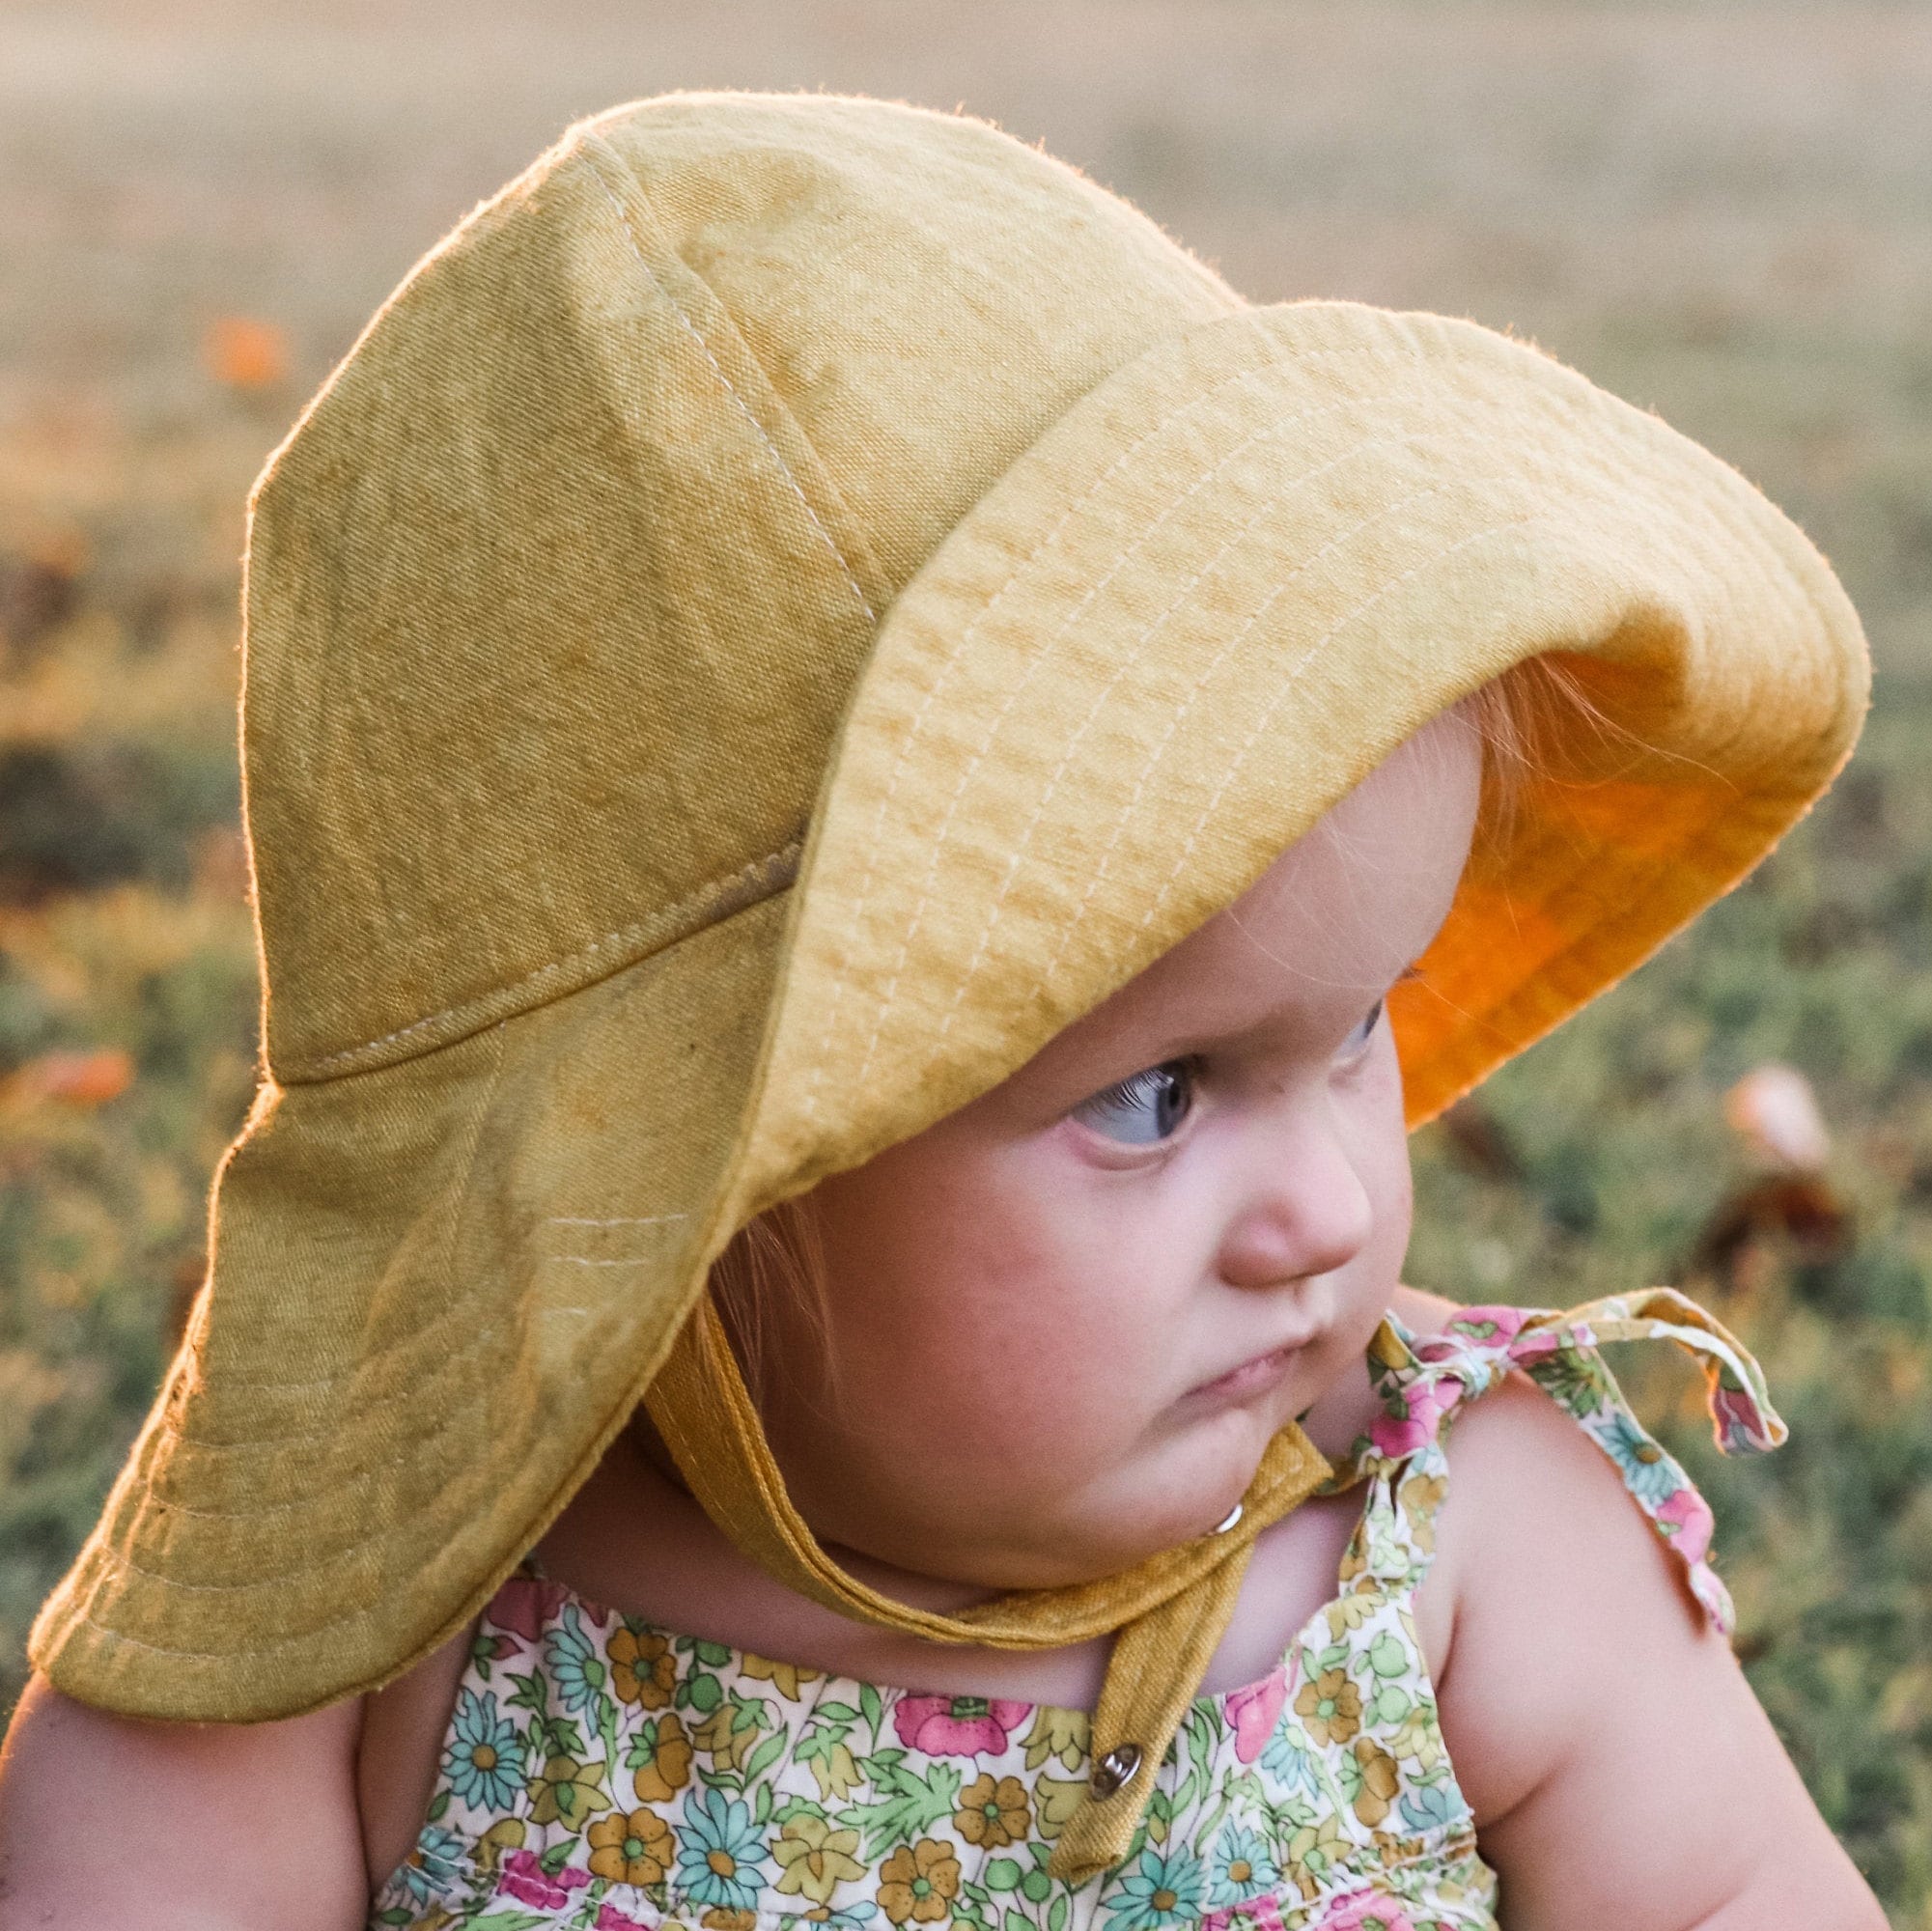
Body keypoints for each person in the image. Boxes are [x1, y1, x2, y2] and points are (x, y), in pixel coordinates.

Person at [0, 91, 1886, 1930]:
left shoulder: (1465, 1554)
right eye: (1153, 1097)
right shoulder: (396, 1606)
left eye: (1356, 1026)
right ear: (694, 1188)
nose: (1326, 1206)